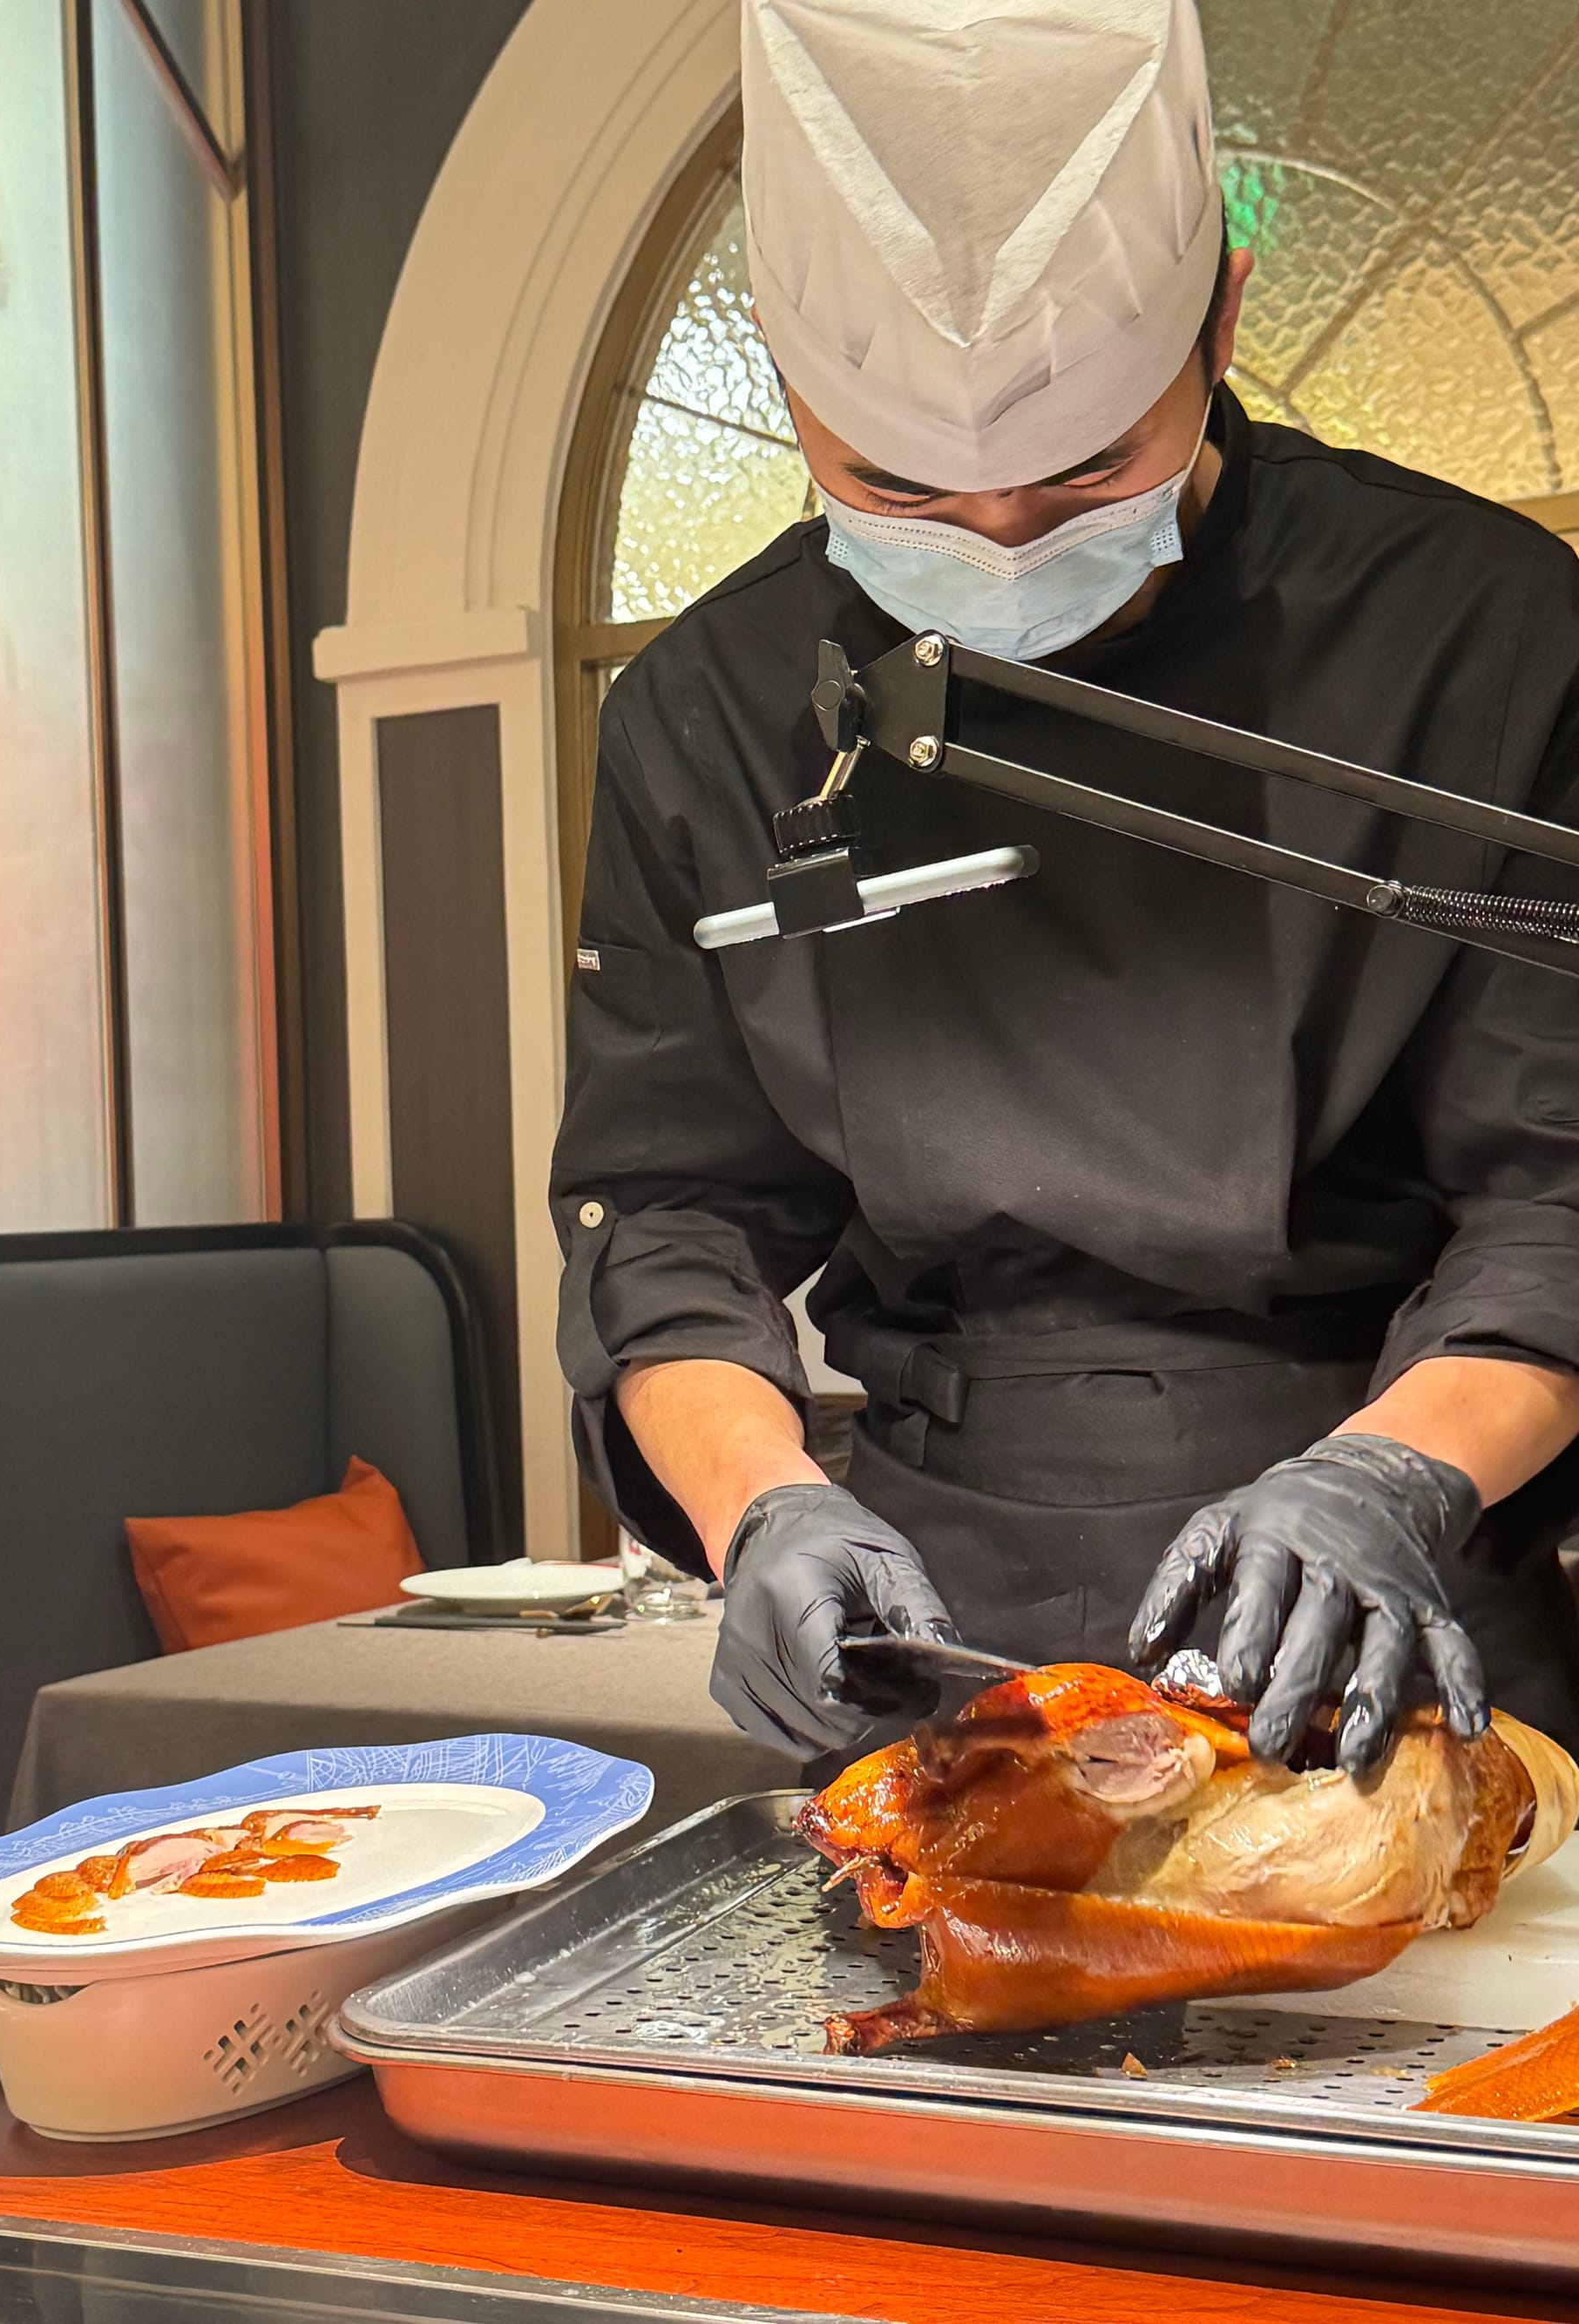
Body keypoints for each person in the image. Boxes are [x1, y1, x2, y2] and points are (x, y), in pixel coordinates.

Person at [552, 0, 1579, 1776]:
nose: (1000, 549)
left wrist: (1384, 1477)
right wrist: (761, 1510)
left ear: (1223, 315)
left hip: (1395, 1581)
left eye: (1086, 472)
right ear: (796, 384)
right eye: (901, 489)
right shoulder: (706, 711)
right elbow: (671, 1216)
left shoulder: (1478, 631)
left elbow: (1554, 1188)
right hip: (935, 1614)